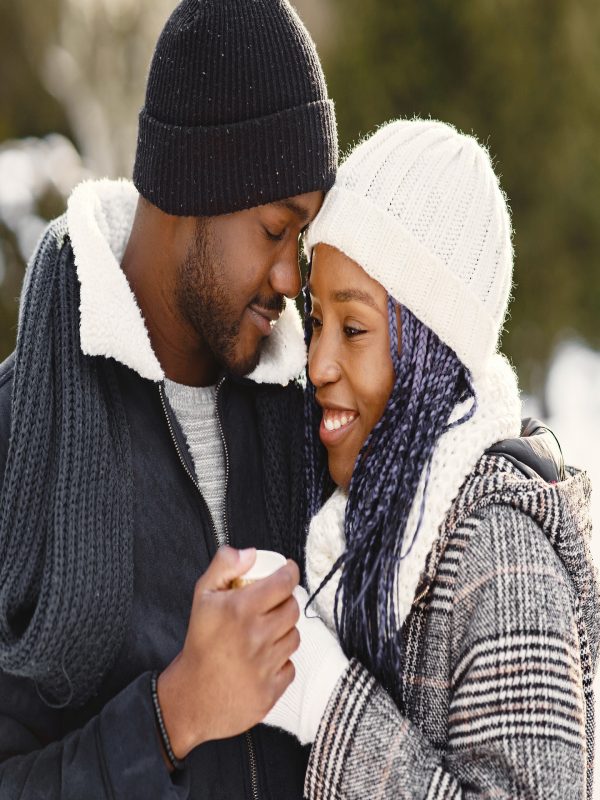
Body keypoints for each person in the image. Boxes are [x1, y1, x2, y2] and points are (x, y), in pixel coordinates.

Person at [0, 0, 338, 797]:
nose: (293, 278)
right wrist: (171, 716)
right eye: (273, 230)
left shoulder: (309, 423)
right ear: (193, 185)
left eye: (304, 240)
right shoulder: (18, 437)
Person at [261, 119, 600, 798]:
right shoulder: (364, 524)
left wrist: (331, 707)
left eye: (353, 328)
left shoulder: (499, 557)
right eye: (316, 320)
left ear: (431, 353)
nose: (318, 362)